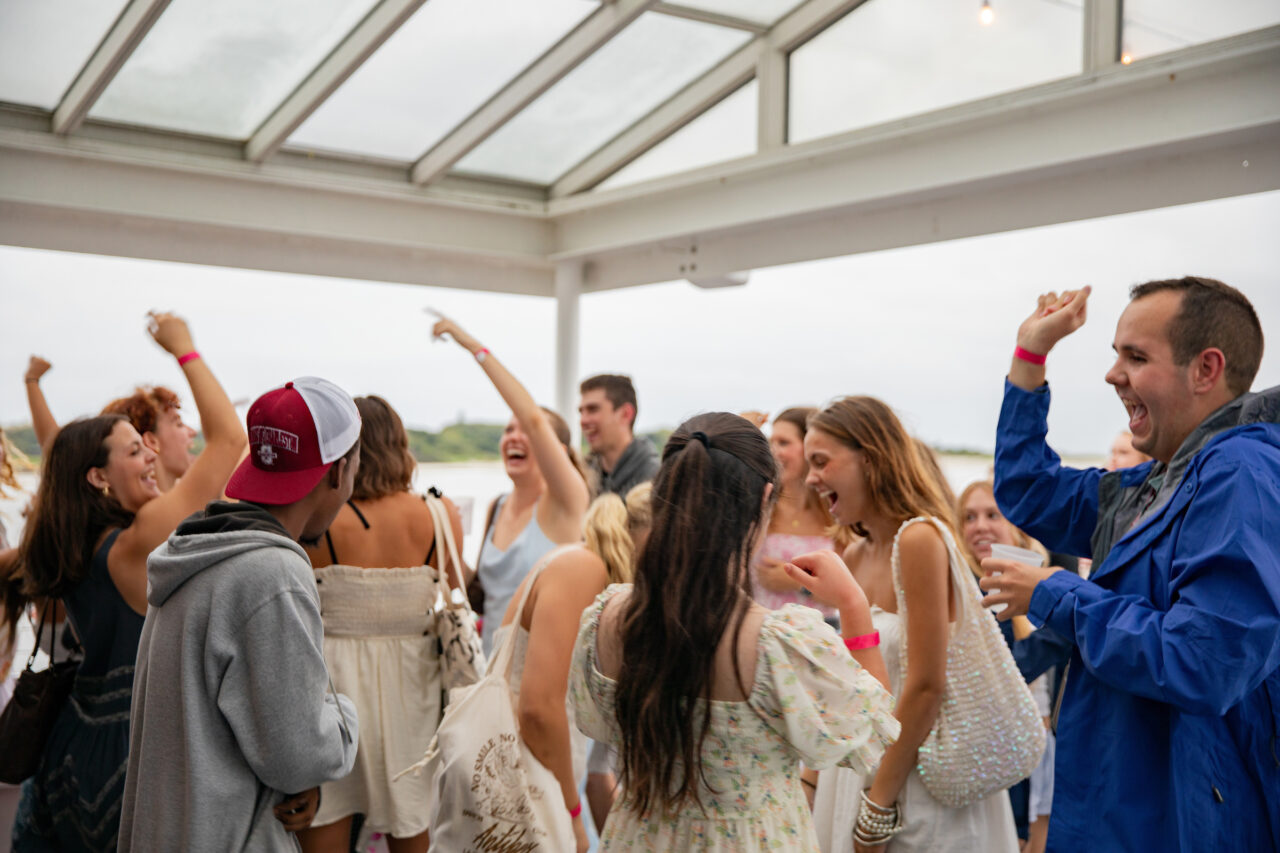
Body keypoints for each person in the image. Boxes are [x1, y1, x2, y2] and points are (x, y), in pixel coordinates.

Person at [982, 278, 1280, 852]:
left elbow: (1205, 660)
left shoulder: (1240, 474)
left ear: (1205, 369)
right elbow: (1027, 489)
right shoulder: (1154, 483)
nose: (1113, 374)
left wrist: (1054, 593)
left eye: (1135, 357)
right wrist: (1030, 355)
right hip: (1121, 807)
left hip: (1182, 819)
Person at [571, 412, 900, 851]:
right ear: (765, 497)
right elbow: (871, 729)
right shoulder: (772, 644)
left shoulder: (608, 617)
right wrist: (854, 606)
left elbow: (592, 721)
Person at [12, 313, 246, 851]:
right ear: (97, 477)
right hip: (127, 749)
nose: (153, 455)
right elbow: (229, 438)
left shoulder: (77, 542)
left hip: (73, 741)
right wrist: (183, 348)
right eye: (135, 450)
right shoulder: (135, 542)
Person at [120, 377, 363, 852]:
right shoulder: (271, 573)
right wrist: (344, 714)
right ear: (337, 473)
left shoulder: (194, 549)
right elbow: (298, 757)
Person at [808, 397, 1019, 853]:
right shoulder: (853, 556)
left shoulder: (920, 540)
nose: (811, 478)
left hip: (923, 791)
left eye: (821, 462)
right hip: (857, 778)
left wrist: (877, 810)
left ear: (869, 457)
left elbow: (926, 687)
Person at [297, 395, 464, 853]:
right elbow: (457, 582)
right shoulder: (439, 512)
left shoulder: (320, 519)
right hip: (413, 685)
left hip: (333, 684)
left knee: (328, 810)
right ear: (400, 444)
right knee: (411, 822)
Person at [432, 315, 590, 655]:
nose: (514, 437)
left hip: (538, 674)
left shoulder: (566, 503)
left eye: (525, 432)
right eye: (507, 430)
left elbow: (534, 419)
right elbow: (484, 592)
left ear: (556, 453)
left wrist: (473, 347)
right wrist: (446, 545)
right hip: (487, 670)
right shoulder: (497, 506)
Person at [492, 492, 640, 853]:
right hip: (530, 778)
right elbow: (538, 708)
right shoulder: (582, 568)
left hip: (531, 769)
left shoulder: (572, 560)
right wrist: (572, 813)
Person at [956, 481, 1055, 853]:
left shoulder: (1051, 581)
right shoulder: (964, 591)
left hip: (1047, 744)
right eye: (969, 517)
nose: (980, 526)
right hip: (993, 746)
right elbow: (999, 673)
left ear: (1017, 524)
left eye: (992, 515)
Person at [24, 356, 196, 493]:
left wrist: (32, 382)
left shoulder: (193, 505)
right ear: (151, 441)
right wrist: (185, 351)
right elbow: (58, 449)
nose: (192, 432)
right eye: (178, 423)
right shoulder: (132, 524)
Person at [750, 407, 850, 618]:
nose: (774, 452)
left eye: (784, 443)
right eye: (771, 443)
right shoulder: (761, 506)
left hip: (823, 638)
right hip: (763, 634)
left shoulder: (838, 513)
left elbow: (853, 594)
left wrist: (798, 583)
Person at [579, 374, 659, 498]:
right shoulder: (582, 476)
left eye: (592, 409)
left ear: (626, 414)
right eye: (581, 412)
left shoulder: (654, 482)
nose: (583, 421)